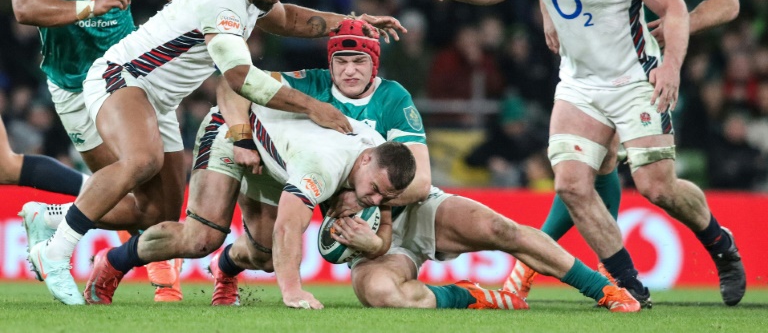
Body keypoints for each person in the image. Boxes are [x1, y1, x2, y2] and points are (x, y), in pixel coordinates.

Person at [86, 19, 638, 312]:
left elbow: (418, 178)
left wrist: (372, 215)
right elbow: (233, 85)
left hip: (362, 200)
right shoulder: (309, 85)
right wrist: (237, 134)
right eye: (342, 60)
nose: (349, 70)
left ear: (374, 63)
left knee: (498, 227)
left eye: (359, 61)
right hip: (244, 148)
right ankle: (117, 262)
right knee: (200, 237)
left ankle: (606, 290)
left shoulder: (393, 99)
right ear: (332, 62)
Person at [430, 0, 745, 309]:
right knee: (571, 185)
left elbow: (675, 8)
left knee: (658, 187)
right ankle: (626, 285)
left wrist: (671, 66)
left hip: (635, 79)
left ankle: (721, 243)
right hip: (579, 85)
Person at [24, 0, 405, 306]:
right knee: (142, 160)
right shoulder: (222, 3)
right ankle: (57, 254)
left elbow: (287, 19)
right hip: (123, 76)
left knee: (156, 213)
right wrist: (312, 106)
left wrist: (351, 23)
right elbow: (239, 77)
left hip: (158, 100)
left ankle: (52, 218)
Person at [11, 0, 192, 302]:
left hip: (134, 75)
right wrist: (91, 4)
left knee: (162, 213)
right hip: (75, 85)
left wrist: (192, 31)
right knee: (135, 173)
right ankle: (66, 251)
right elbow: (24, 5)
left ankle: (55, 218)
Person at [85, 103, 419, 310]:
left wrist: (375, 242)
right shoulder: (325, 165)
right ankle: (113, 262)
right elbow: (288, 227)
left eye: (382, 197)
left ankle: (225, 269)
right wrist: (293, 291)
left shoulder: (381, 159)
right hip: (235, 134)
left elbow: (385, 223)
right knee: (201, 237)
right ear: (364, 161)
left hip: (280, 158)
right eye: (373, 191)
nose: (374, 201)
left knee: (265, 257)